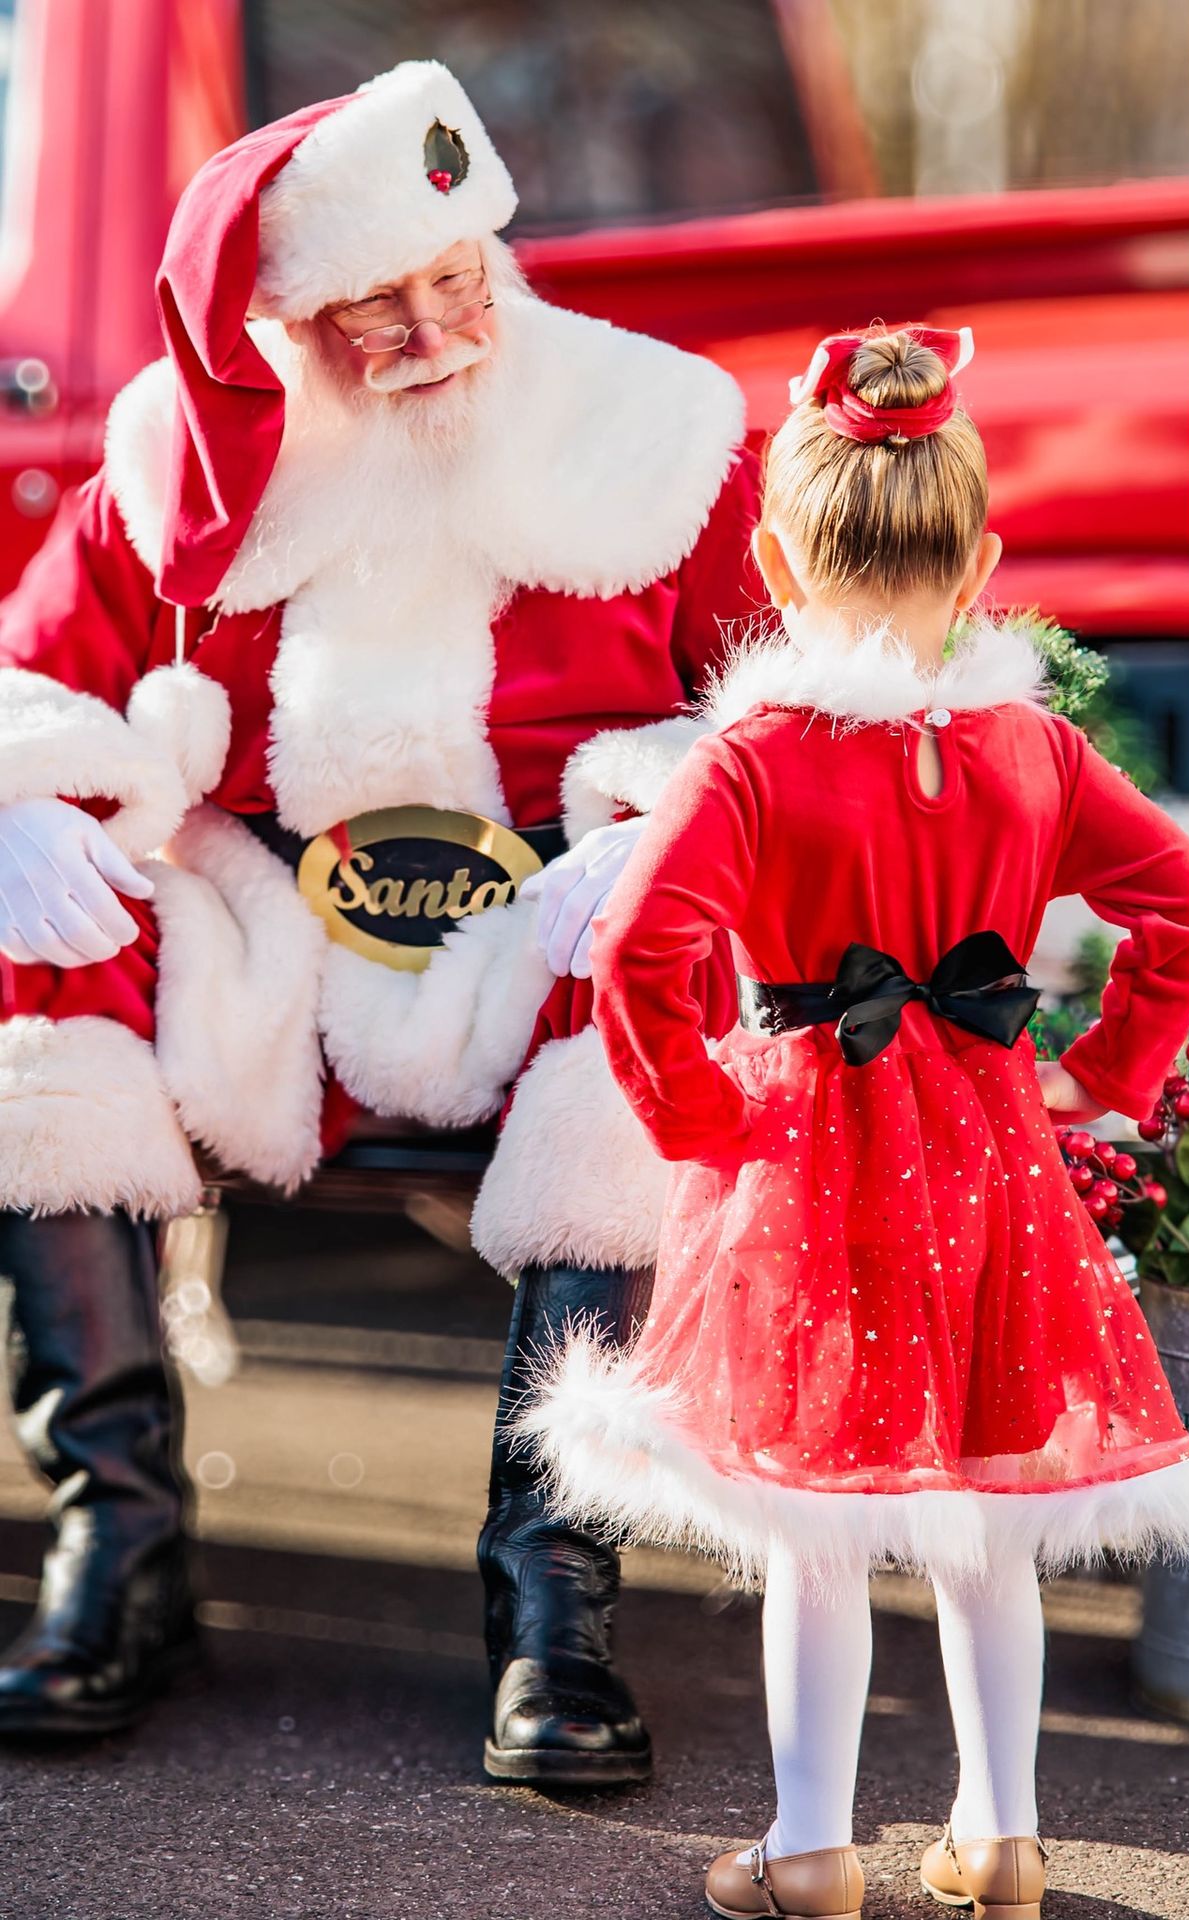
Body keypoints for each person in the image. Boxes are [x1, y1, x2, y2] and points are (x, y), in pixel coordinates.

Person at [0, 61, 758, 1773]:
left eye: (454, 276)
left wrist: (665, 827)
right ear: (281, 322)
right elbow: (26, 671)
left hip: (542, 926)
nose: (434, 328)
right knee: (33, 932)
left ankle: (553, 1595)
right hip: (277, 936)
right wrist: (27, 792)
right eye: (373, 308)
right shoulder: (177, 459)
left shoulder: (665, 434)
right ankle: (117, 1544)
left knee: (652, 968)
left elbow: (785, 713)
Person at [523, 326, 1189, 1915]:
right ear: (985, 561)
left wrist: (698, 1114)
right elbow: (1179, 904)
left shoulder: (755, 759)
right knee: (989, 1513)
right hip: (991, 1168)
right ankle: (1004, 1831)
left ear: (770, 556)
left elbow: (644, 953)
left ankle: (812, 1845)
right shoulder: (1034, 747)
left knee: (812, 1520)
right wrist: (1105, 1070)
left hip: (796, 1170)